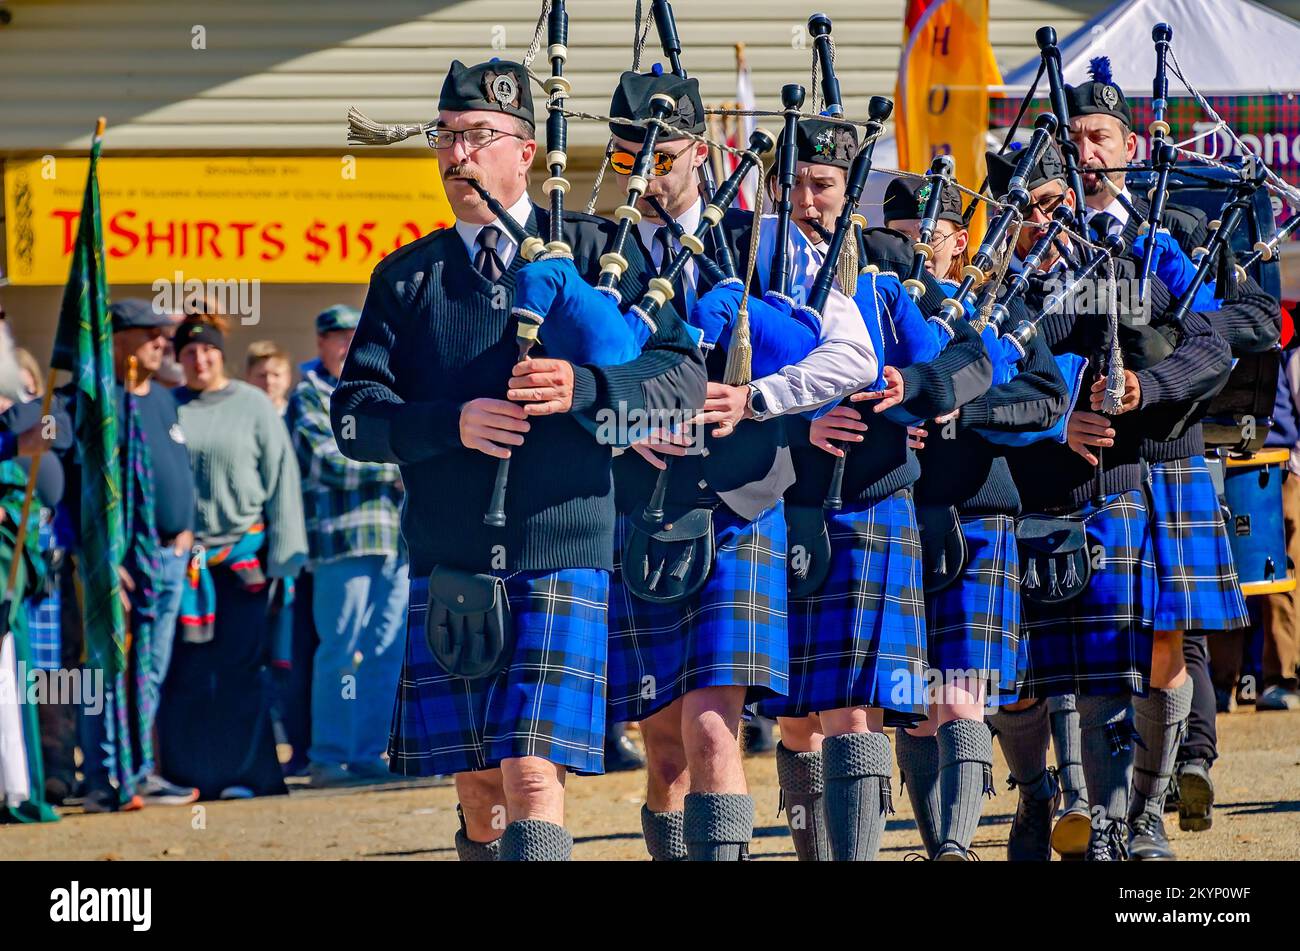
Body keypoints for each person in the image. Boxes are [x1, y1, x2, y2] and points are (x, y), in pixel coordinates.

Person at [332, 58, 706, 861]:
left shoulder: (601, 254)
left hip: (562, 552)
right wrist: (449, 423)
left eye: (474, 137)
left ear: (526, 151)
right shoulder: (407, 279)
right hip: (451, 555)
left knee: (532, 776)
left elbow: (681, 377)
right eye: (444, 137)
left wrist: (586, 386)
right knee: (478, 788)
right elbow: (355, 421)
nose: (454, 156)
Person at [604, 91, 877, 860]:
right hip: (639, 511)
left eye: (661, 156)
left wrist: (756, 397)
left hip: (738, 507)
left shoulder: (765, 240)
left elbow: (853, 356)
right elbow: (552, 376)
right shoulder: (594, 246)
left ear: (701, 151)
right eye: (629, 157)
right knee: (663, 753)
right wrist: (617, 428)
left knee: (714, 733)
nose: (645, 175)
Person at [751, 120, 993, 862]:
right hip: (774, 505)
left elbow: (967, 360)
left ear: (849, 193)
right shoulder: (747, 264)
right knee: (795, 718)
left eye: (822, 185)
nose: (805, 200)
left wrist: (916, 385)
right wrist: (797, 431)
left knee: (854, 710)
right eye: (790, 184)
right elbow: (719, 393)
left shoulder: (886, 265)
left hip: (871, 501)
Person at [989, 140, 1233, 861]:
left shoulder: (1129, 259)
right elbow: (968, 386)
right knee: (1021, 677)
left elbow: (1209, 339)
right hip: (1023, 489)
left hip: (1117, 485)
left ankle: (1129, 817)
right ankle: (1040, 796)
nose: (1042, 224)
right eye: (1027, 212)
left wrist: (1144, 382)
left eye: (1052, 207)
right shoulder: (993, 285)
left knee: (1114, 670)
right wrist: (1053, 418)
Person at [1066, 62, 1278, 856]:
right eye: (1076, 138)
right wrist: (1060, 413)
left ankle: (1158, 798)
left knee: (1170, 638)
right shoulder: (1049, 235)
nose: (1088, 154)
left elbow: (1235, 330)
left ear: (1132, 144)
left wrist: (1156, 369)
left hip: (1176, 450)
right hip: (1084, 469)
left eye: (1101, 139)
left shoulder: (1175, 232)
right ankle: (1100, 809)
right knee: (1094, 647)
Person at [883, 175, 1069, 860]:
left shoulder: (996, 308)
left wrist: (970, 408)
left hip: (978, 513)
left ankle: (961, 844)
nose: (908, 252)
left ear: (959, 241)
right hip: (896, 517)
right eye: (897, 239)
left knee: (962, 693)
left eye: (921, 239)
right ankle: (941, 846)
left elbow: (1048, 396)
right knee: (913, 703)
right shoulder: (872, 304)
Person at [159, 310, 307, 800]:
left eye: (207, 350)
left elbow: (283, 479)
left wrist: (285, 556)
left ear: (221, 355)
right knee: (190, 671)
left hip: (246, 562)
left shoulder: (253, 405)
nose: (199, 359)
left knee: (243, 669)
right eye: (188, 352)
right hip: (185, 568)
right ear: (177, 358)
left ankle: (249, 774)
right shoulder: (166, 405)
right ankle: (194, 775)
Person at [68, 300, 201, 812]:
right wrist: (106, 561)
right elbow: (81, 491)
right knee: (109, 672)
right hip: (117, 565)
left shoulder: (164, 399)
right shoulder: (97, 404)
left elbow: (178, 472)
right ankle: (107, 779)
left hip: (169, 560)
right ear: (118, 338)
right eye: (150, 334)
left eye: (164, 336)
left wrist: (187, 530)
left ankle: (140, 771)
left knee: (149, 671)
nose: (162, 344)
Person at [285, 304, 407, 787]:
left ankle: (368, 753)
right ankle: (328, 757)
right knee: (341, 648)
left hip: (396, 540)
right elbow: (326, 461)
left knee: (386, 649)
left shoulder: (380, 389)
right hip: (341, 541)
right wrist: (396, 465)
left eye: (353, 337)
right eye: (336, 338)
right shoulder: (308, 394)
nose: (345, 346)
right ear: (320, 344)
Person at [246, 341, 293, 414]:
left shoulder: (298, 419)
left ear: (288, 378)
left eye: (276, 375)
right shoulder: (238, 417)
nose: (269, 381)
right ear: (248, 376)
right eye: (262, 375)